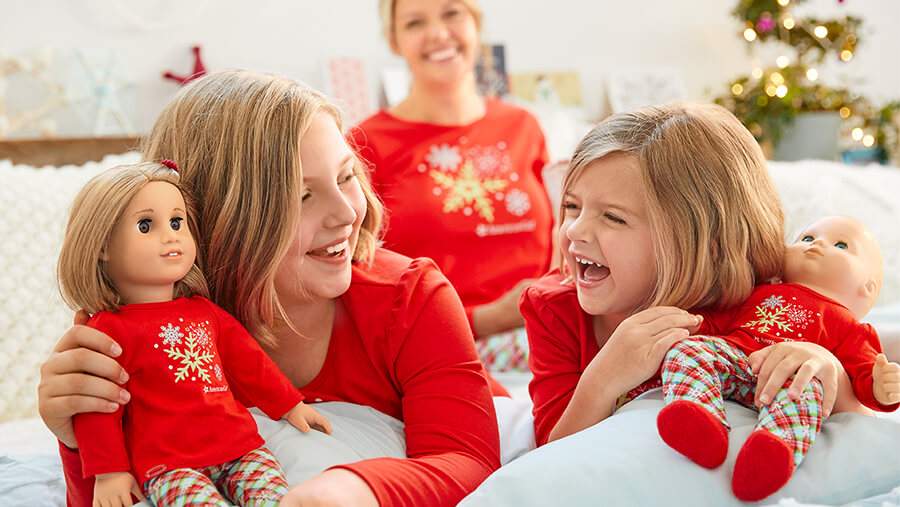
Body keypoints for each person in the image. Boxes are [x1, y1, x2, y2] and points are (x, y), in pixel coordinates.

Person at [38, 70, 500, 507]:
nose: (345, 213)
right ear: (216, 220)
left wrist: (348, 488)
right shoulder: (141, 324)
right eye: (302, 195)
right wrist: (76, 441)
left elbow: (470, 460)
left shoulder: (411, 295)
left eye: (346, 177)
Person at [522, 103, 866, 451]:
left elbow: (861, 423)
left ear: (708, 244)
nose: (575, 230)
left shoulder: (766, 306)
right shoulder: (554, 308)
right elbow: (550, 450)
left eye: (613, 217)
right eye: (571, 207)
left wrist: (828, 368)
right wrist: (602, 379)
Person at [55, 162, 331, 507]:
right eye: (145, 225)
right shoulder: (107, 331)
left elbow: (249, 362)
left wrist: (289, 404)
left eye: (176, 222)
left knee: (275, 499)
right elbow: (98, 407)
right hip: (169, 465)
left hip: (240, 446)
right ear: (102, 246)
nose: (170, 236)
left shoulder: (204, 312)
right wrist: (109, 472)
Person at [350, 0, 553, 341]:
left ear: (476, 23)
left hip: (548, 337)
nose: (439, 34)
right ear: (394, 40)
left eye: (451, 13)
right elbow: (359, 283)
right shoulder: (366, 144)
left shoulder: (524, 126)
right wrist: (485, 319)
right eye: (415, 23)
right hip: (434, 345)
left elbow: (562, 238)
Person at [657, 215, 900, 501]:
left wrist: (882, 388)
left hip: (790, 380)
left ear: (868, 288)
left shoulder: (850, 327)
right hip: (736, 359)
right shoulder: (758, 292)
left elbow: (863, 377)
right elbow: (716, 321)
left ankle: (772, 450)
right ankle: (699, 418)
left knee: (809, 387)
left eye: (841, 245)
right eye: (806, 238)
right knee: (688, 350)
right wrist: (688, 323)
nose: (817, 244)